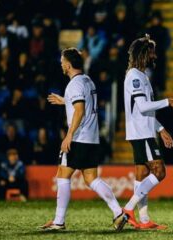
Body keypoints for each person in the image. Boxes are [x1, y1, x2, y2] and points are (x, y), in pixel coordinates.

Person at [40, 48, 127, 231]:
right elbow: (82, 103)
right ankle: (118, 212)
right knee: (91, 179)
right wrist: (65, 100)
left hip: (78, 137)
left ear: (69, 64)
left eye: (63, 61)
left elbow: (80, 110)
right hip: (92, 138)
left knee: (63, 176)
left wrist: (69, 135)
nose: (61, 64)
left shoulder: (74, 84)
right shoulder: (87, 80)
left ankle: (58, 221)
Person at [123, 34, 173, 230]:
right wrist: (167, 101)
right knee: (159, 171)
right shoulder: (134, 77)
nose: (154, 56)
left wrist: (161, 128)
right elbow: (141, 106)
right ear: (143, 54)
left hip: (144, 130)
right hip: (141, 133)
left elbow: (146, 110)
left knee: (142, 175)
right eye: (151, 52)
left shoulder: (142, 76)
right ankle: (128, 209)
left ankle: (144, 220)